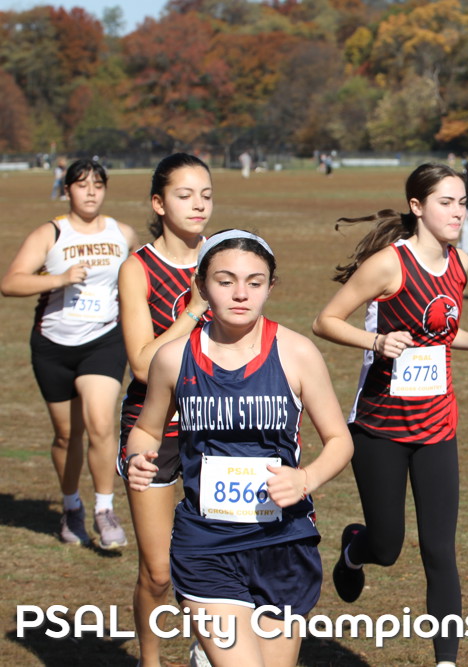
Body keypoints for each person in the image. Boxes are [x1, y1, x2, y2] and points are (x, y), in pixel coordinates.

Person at [312, 163, 468, 667]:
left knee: (439, 549)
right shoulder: (389, 264)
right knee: (387, 546)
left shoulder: (461, 262)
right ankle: (355, 549)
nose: (458, 212)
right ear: (417, 206)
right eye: (446, 202)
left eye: (462, 203)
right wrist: (376, 341)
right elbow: (325, 321)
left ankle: (446, 661)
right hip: (380, 427)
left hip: (438, 426)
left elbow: (442, 333)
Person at [125, 230, 354, 667]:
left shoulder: (297, 353)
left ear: (271, 286)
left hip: (282, 542)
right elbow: (147, 430)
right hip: (206, 544)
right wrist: (138, 458)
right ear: (201, 284)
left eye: (255, 281)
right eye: (225, 280)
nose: (241, 294)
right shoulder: (173, 358)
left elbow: (340, 441)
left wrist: (306, 478)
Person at [2, 158, 138, 548]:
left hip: (103, 341)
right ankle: (71, 506)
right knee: (67, 435)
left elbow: (141, 277)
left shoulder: (122, 233)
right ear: (67, 191)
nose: (91, 191)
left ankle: (104, 509)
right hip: (53, 346)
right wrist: (59, 278)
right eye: (82, 184)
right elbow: (10, 283)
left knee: (101, 425)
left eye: (98, 184)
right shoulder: (51, 233)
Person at [117, 152, 214, 666]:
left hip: (216, 431)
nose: (199, 205)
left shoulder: (224, 256)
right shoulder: (138, 268)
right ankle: (150, 660)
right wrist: (195, 308)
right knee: (157, 572)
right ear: (158, 203)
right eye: (185, 195)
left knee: (214, 560)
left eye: (206, 195)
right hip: (154, 431)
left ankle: (207, 649)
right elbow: (141, 364)